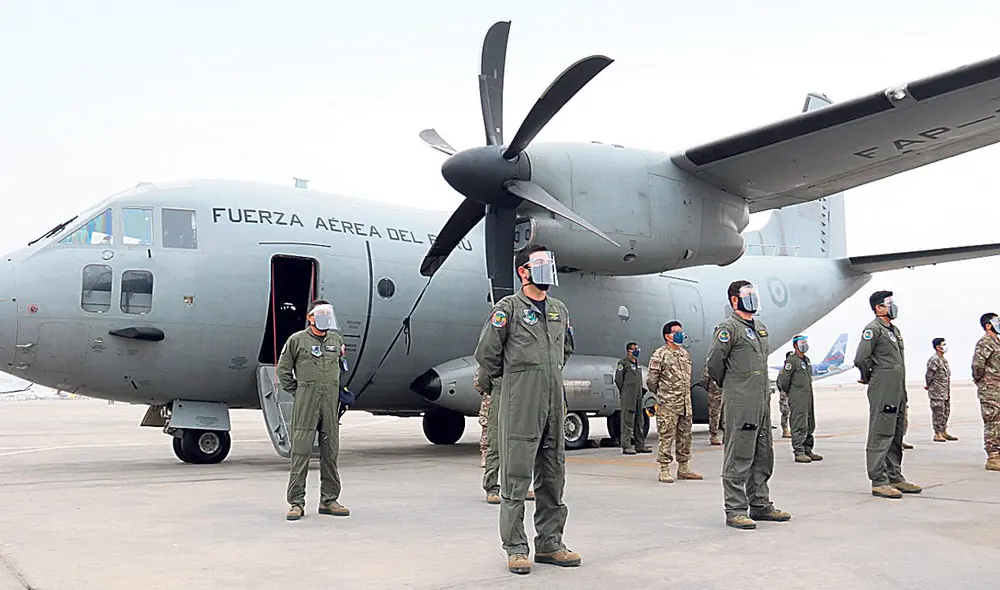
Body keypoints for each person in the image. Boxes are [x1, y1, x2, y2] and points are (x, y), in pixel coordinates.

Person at [475, 245, 579, 575]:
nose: (548, 270)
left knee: (553, 474)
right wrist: (513, 385)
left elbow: (566, 350)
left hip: (552, 399)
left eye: (550, 264)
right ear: (524, 271)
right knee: (516, 475)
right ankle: (516, 547)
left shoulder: (559, 310)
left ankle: (550, 543)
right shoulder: (508, 308)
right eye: (540, 264)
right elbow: (487, 354)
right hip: (521, 400)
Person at [707, 281, 790, 530]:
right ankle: (735, 509)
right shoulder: (728, 328)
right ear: (734, 300)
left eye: (754, 294)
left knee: (763, 454)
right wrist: (735, 385)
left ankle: (761, 504)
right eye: (747, 295)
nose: (752, 298)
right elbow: (714, 364)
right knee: (739, 454)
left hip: (761, 400)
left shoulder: (760, 327)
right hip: (741, 401)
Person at [276, 299, 351, 521]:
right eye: (321, 313)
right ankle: (296, 503)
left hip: (330, 403)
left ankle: (329, 500)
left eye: (329, 313)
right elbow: (283, 371)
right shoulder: (297, 341)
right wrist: (299, 392)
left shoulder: (336, 340)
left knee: (331, 452)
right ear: (310, 317)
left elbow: (340, 368)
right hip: (306, 403)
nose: (326, 317)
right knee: (301, 452)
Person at [853, 290, 921, 499]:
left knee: (896, 433)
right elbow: (861, 358)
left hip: (897, 388)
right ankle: (879, 480)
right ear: (878, 308)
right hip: (883, 387)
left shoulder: (894, 330)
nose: (893, 306)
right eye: (888, 303)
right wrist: (870, 376)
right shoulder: (873, 329)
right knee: (881, 432)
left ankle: (895, 476)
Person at [647, 321, 703, 483]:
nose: (680, 334)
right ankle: (664, 469)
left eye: (681, 331)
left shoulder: (685, 354)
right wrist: (664, 394)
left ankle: (684, 468)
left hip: (685, 403)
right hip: (668, 403)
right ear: (667, 336)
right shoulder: (660, 355)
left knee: (685, 436)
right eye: (676, 332)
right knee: (666, 436)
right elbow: (652, 381)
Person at [476, 365, 535, 504]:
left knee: (522, 443)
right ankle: (492, 488)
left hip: (521, 394)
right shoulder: (497, 346)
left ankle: (520, 487)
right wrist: (497, 388)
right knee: (495, 443)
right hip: (500, 392)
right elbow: (483, 376)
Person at [777, 335, 822, 463]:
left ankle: (808, 449)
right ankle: (799, 451)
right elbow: (784, 380)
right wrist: (791, 392)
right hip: (797, 396)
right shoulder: (792, 361)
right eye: (802, 342)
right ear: (795, 345)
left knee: (809, 422)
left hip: (808, 396)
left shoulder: (806, 360)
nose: (805, 345)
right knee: (799, 422)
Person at [971, 313, 1000, 471]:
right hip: (990, 389)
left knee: (999, 422)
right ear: (988, 325)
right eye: (997, 321)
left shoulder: (997, 342)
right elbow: (977, 366)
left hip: (998, 388)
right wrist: (983, 382)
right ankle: (993, 457)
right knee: (992, 421)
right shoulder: (985, 342)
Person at [615, 342, 652, 455]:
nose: (637, 351)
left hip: (638, 395)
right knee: (627, 420)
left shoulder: (637, 364)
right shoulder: (623, 363)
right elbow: (618, 380)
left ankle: (639, 445)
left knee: (639, 420)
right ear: (629, 351)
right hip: (628, 395)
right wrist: (625, 391)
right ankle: (626, 445)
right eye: (635, 349)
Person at [925, 337, 956, 443]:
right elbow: (929, 374)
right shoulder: (935, 360)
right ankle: (937, 433)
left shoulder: (943, 360)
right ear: (938, 347)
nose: (945, 346)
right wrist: (928, 385)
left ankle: (943, 431)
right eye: (943, 344)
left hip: (945, 390)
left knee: (946, 411)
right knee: (938, 411)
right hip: (937, 391)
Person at [699, 364, 723, 445]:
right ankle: (714, 435)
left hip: (725, 391)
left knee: (726, 414)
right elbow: (704, 379)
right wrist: (710, 389)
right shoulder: (711, 362)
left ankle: (726, 435)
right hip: (715, 392)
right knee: (714, 414)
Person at [775, 351, 793, 439]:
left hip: (793, 394)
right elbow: (779, 383)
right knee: (786, 413)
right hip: (785, 394)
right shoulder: (783, 371)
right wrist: (784, 392)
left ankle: (793, 430)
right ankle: (785, 430)